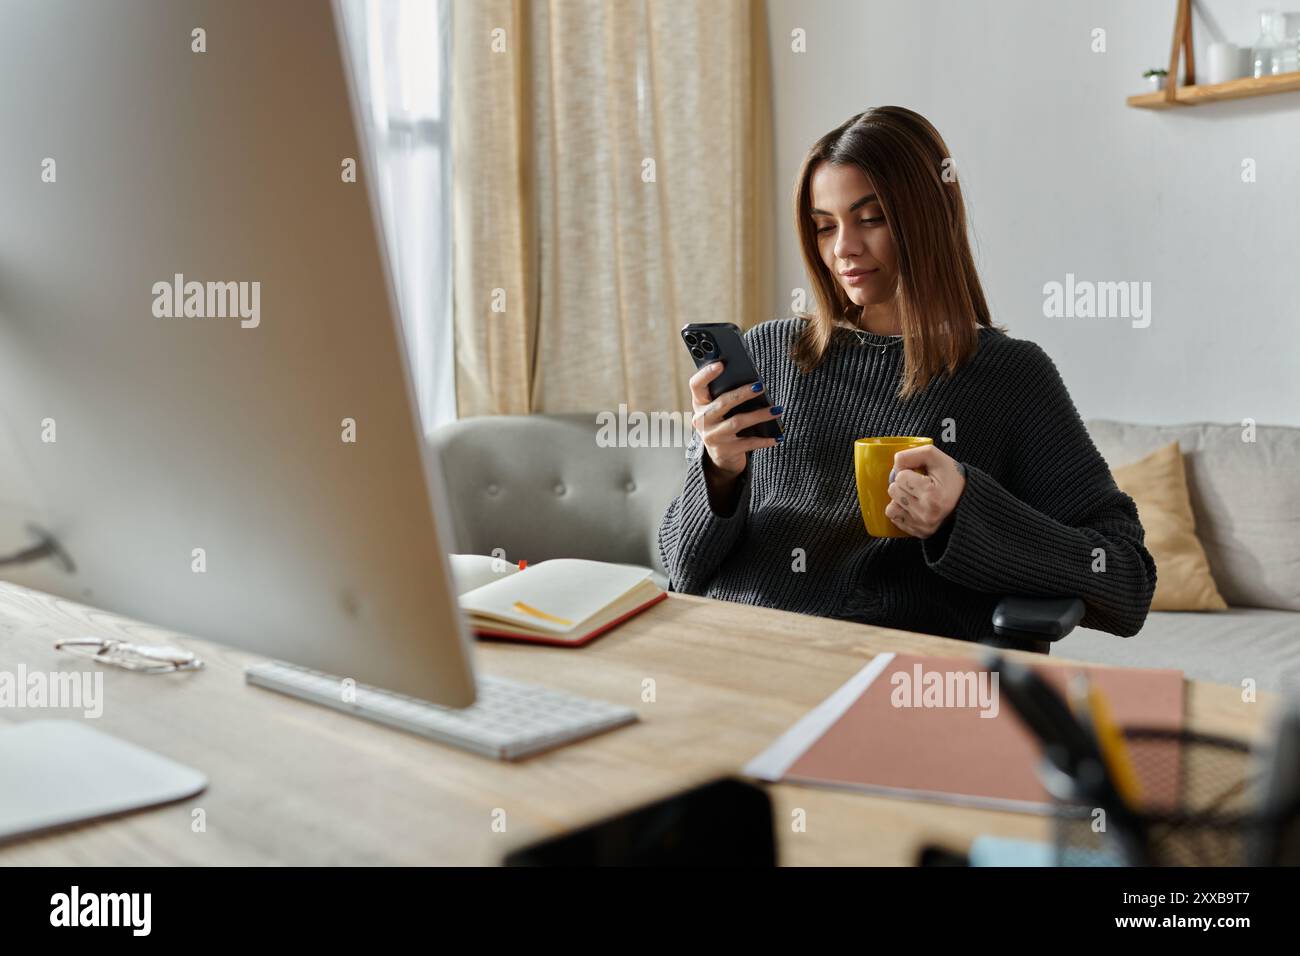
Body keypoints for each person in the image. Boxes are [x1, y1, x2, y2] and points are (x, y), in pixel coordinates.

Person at [657, 106, 1156, 644]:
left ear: (926, 217)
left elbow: (1126, 581)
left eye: (870, 219)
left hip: (890, 670)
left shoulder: (1009, 376)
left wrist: (964, 510)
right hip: (733, 646)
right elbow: (681, 569)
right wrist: (720, 472)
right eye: (825, 227)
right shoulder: (769, 354)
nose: (843, 248)